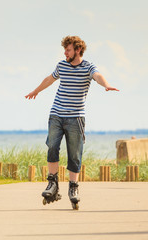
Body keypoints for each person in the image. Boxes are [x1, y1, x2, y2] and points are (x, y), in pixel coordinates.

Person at [25, 36, 119, 210]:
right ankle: (52, 184)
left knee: (74, 154)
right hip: (56, 114)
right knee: (52, 146)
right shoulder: (62, 65)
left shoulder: (88, 67)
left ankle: (73, 188)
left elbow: (97, 76)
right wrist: (36, 91)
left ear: (77, 50)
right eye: (65, 50)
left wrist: (106, 85)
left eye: (68, 50)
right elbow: (49, 79)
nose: (65, 53)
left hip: (76, 117)